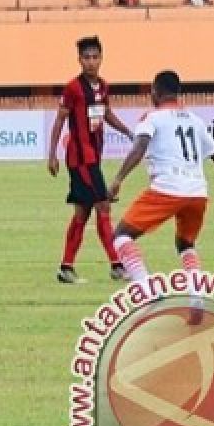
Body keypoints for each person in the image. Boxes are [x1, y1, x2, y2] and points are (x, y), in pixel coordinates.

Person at [108, 71, 214, 317]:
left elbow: (139, 147)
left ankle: (147, 291)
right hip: (198, 193)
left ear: (155, 92)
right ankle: (196, 299)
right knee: (185, 244)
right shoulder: (195, 120)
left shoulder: (152, 118)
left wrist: (118, 179)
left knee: (121, 236)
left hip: (168, 188)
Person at [47, 36, 134, 284]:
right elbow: (60, 120)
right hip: (80, 158)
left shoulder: (104, 86)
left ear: (101, 58)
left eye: (95, 57)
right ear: (80, 60)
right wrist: (52, 154)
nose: (91, 62)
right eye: (87, 57)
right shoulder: (73, 88)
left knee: (82, 213)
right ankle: (117, 265)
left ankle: (66, 268)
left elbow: (107, 114)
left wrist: (126, 131)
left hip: (93, 156)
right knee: (103, 204)